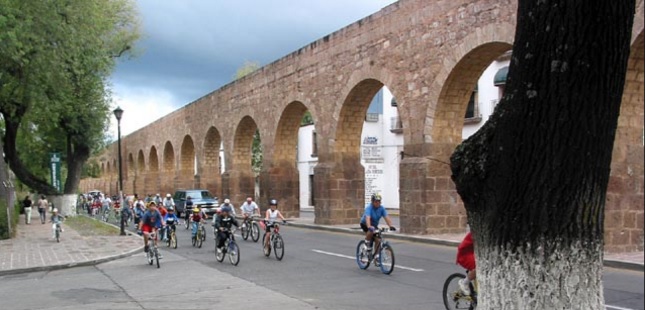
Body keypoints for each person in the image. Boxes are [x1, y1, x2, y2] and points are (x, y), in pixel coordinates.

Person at [456, 231, 476, 296]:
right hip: (465, 254)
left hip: (474, 253)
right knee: (478, 268)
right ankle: (464, 282)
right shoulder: (477, 232)